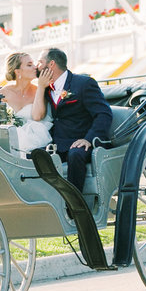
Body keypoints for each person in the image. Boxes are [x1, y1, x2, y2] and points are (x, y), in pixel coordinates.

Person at [39, 47, 112, 193]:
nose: (37, 67)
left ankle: (76, 205)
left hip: (81, 141)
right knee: (36, 156)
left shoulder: (83, 84)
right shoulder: (46, 89)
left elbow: (104, 113)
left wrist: (89, 139)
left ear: (51, 64)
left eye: (40, 62)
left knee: (76, 155)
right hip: (57, 142)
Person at [0, 52, 52, 153]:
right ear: (18, 71)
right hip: (8, 143)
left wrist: (41, 87)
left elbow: (37, 117)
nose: (35, 67)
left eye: (33, 64)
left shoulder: (40, 90)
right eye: (29, 65)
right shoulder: (3, 93)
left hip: (35, 143)